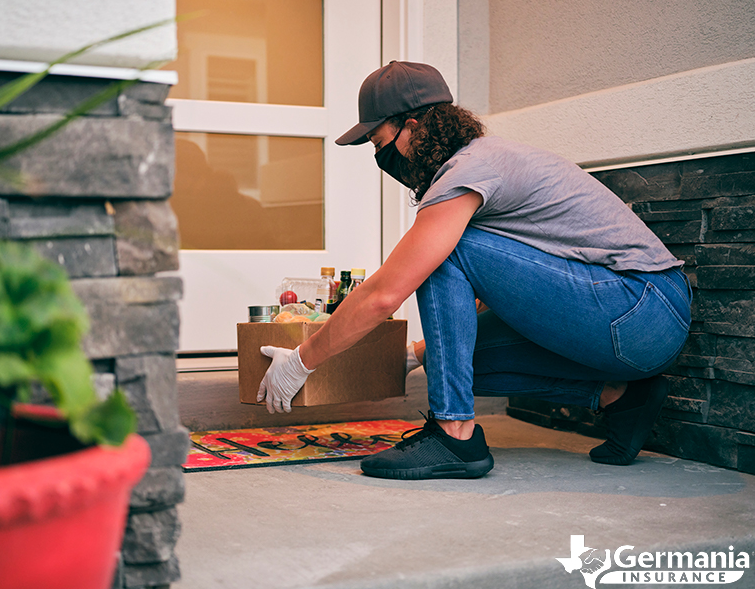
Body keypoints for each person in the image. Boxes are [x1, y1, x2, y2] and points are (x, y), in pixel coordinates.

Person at [257, 61, 691, 481]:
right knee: (459, 368)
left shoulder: (471, 171)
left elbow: (385, 293)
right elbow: (494, 292)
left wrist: (302, 360)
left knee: (444, 252)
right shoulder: (475, 165)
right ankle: (622, 397)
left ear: (412, 128)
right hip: (633, 319)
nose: (379, 155)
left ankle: (453, 437)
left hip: (640, 307)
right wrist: (416, 355)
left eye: (377, 141)